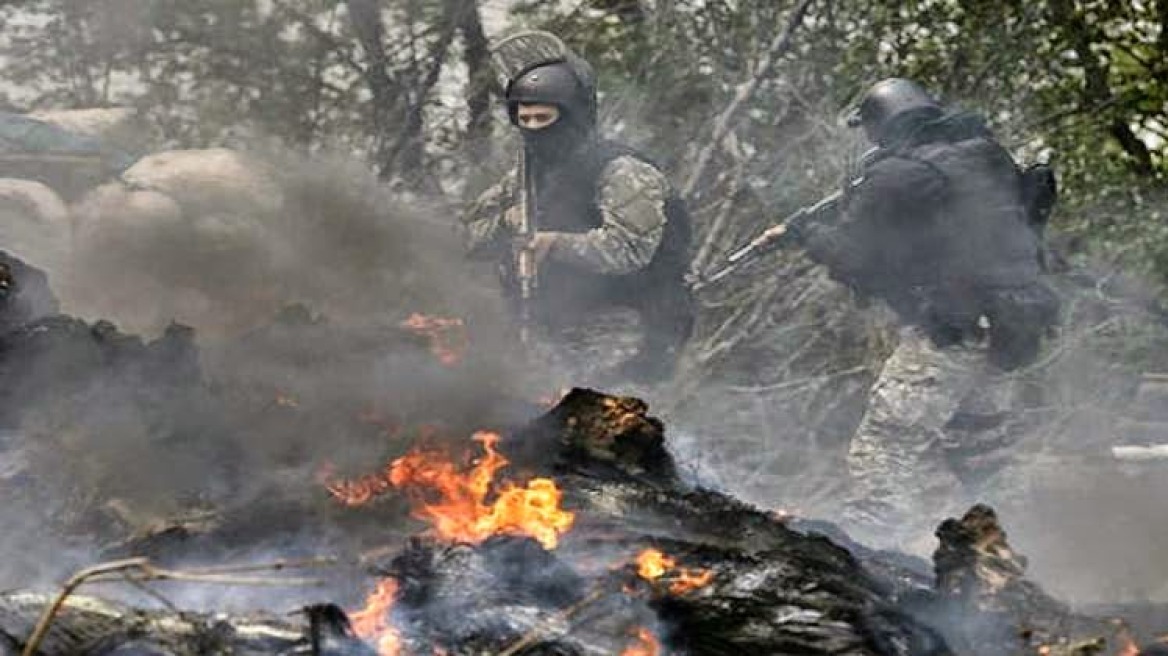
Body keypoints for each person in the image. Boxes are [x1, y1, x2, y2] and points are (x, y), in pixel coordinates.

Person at [783, 78, 1061, 551]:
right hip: (1011, 329)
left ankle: (870, 557)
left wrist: (807, 232)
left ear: (881, 125)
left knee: (887, 448)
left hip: (951, 332)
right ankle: (1013, 555)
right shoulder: (984, 154)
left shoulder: (898, 175)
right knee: (985, 453)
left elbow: (857, 259)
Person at [460, 31, 693, 385]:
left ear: (571, 116)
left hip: (628, 327)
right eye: (525, 119)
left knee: (597, 424)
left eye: (543, 118)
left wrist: (554, 243)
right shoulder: (528, 175)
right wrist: (505, 223)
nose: (533, 129)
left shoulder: (623, 171)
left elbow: (629, 250)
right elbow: (462, 234)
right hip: (552, 326)